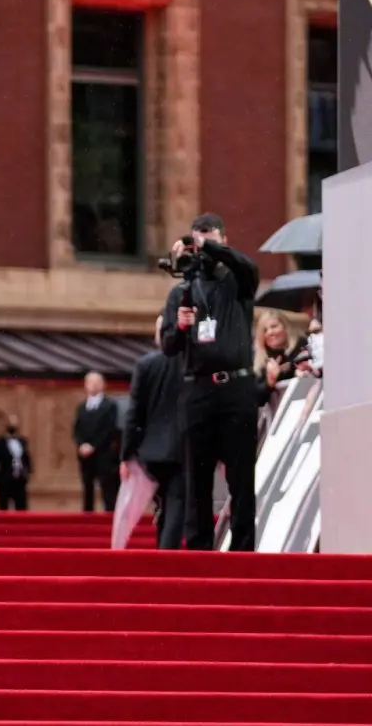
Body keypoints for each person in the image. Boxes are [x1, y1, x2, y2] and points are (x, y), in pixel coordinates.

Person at [159, 212, 261, 551]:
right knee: (196, 479)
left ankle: (243, 551)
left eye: (209, 234)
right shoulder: (182, 291)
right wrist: (181, 326)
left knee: (241, 477)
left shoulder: (238, 279)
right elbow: (170, 346)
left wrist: (211, 247)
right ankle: (200, 551)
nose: (200, 242)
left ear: (223, 239)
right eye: (196, 236)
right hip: (198, 389)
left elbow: (246, 265)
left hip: (236, 388)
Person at [122, 315, 185, 550]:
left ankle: (162, 552)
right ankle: (167, 557)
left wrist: (126, 454)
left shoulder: (145, 365)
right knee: (176, 503)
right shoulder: (192, 364)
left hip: (150, 452)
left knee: (162, 506)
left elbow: (134, 412)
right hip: (183, 448)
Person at [72, 371, 120, 513]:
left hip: (103, 454)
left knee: (107, 488)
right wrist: (81, 444)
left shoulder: (109, 406)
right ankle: (87, 516)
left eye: (96, 382)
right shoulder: (82, 407)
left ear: (102, 385)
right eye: (89, 382)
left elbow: (109, 429)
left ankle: (109, 517)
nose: (92, 385)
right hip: (85, 455)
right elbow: (76, 429)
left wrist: (94, 446)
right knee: (87, 487)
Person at [0, 417, 30, 511]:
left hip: (20, 479)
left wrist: (28, 474)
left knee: (21, 508)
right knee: (3, 507)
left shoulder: (22, 441)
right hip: (4, 479)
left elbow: (27, 459)